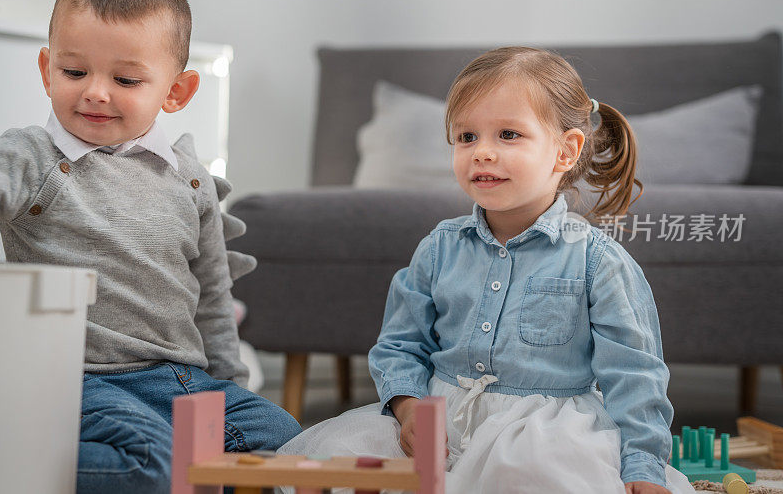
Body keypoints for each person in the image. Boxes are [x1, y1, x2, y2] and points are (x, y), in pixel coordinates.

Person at [278, 47, 694, 494]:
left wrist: (642, 467)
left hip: (542, 436)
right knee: (338, 463)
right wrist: (408, 407)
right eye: (467, 137)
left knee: (531, 476)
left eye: (509, 134)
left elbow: (636, 376)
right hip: (439, 419)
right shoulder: (440, 247)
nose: (483, 153)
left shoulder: (598, 260)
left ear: (565, 150)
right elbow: (400, 345)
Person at [0, 0, 300, 493]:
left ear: (176, 91)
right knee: (157, 462)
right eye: (74, 72)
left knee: (281, 439)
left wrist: (226, 386)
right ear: (46, 69)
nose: (96, 93)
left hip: (180, 379)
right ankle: (6, 452)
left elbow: (213, 297)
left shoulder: (189, 177)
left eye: (125, 80)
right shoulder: (33, 158)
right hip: (79, 382)